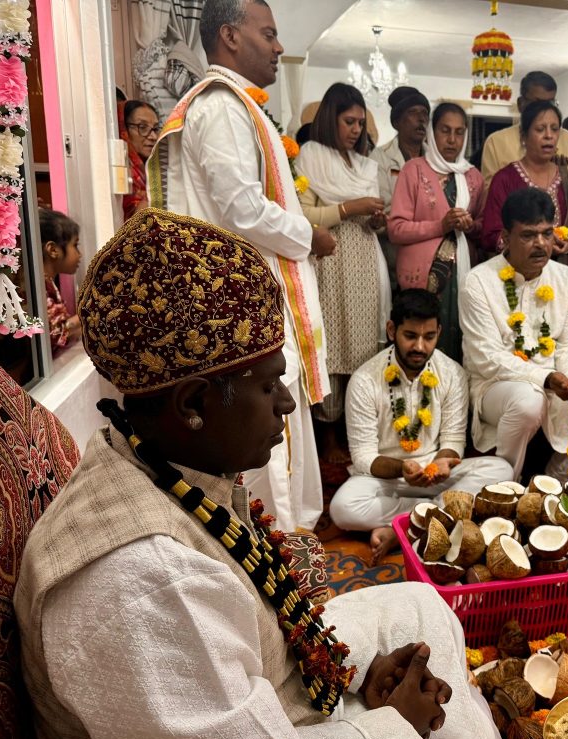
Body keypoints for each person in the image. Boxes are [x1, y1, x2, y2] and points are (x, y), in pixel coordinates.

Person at [15, 208, 515, 739]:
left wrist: (349, 674)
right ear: (192, 403)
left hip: (260, 694)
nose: (286, 401)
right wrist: (395, 725)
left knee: (418, 604)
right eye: (268, 383)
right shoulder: (148, 584)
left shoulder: (154, 456)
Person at [146, 0, 335, 532]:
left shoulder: (233, 106)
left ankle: (285, 546)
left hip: (246, 300)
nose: (279, 47)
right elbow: (242, 208)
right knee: (265, 441)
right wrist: (310, 237)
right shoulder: (222, 106)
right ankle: (278, 548)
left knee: (275, 433)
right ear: (229, 36)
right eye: (268, 34)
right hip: (245, 308)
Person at [331, 290, 511, 563]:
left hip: (435, 474)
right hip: (385, 478)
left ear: (439, 332)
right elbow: (363, 457)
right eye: (410, 336)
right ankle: (435, 517)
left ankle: (404, 526)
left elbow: (453, 440)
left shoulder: (452, 373)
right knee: (343, 508)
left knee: (502, 470)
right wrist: (402, 468)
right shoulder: (365, 380)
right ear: (392, 330)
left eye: (429, 337)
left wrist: (442, 463)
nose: (419, 347)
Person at [461, 188, 568, 480]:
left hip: (557, 380)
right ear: (506, 237)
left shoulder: (567, 278)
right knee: (528, 400)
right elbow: (486, 357)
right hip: (496, 385)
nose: (540, 244)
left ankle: (559, 476)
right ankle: (505, 483)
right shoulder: (479, 281)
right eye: (528, 235)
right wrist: (546, 379)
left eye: (547, 234)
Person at [297, 82, 392, 464]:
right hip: (330, 261)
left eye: (360, 123)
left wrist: (376, 220)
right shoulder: (311, 155)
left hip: (365, 262)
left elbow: (370, 222)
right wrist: (350, 207)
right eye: (348, 121)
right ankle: (329, 436)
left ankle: (360, 432)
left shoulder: (364, 164)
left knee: (363, 346)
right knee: (333, 346)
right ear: (329, 120)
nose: (356, 129)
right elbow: (302, 214)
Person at [388, 102, 483, 362]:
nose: (452, 139)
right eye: (445, 130)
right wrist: (440, 226)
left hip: (462, 278)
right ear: (432, 131)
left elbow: (482, 227)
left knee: (458, 345)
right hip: (421, 282)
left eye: (459, 132)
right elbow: (396, 229)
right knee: (418, 345)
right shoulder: (414, 170)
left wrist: (470, 225)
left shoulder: (473, 177)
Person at [481, 100, 568, 269]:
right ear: (524, 136)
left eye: (554, 129)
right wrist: (528, 243)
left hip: (560, 271)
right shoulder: (505, 179)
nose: (549, 135)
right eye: (540, 129)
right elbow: (490, 236)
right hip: (515, 272)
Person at [479, 71, 568, 185]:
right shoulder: (496, 142)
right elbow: (490, 192)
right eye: (537, 103)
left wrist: (559, 173)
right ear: (520, 104)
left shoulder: (566, 139)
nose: (544, 110)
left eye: (550, 103)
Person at [372, 86, 430, 210]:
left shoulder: (435, 158)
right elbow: (383, 204)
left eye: (425, 113)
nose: (421, 119)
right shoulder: (379, 157)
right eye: (413, 112)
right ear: (396, 123)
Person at [39, 209, 82, 353]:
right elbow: (54, 334)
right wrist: (90, 312)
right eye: (75, 245)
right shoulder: (40, 289)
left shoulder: (48, 283)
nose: (80, 254)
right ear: (53, 250)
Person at [121, 99, 160, 220]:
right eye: (142, 127)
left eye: (155, 129)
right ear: (124, 129)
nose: (153, 137)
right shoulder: (121, 173)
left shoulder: (154, 169)